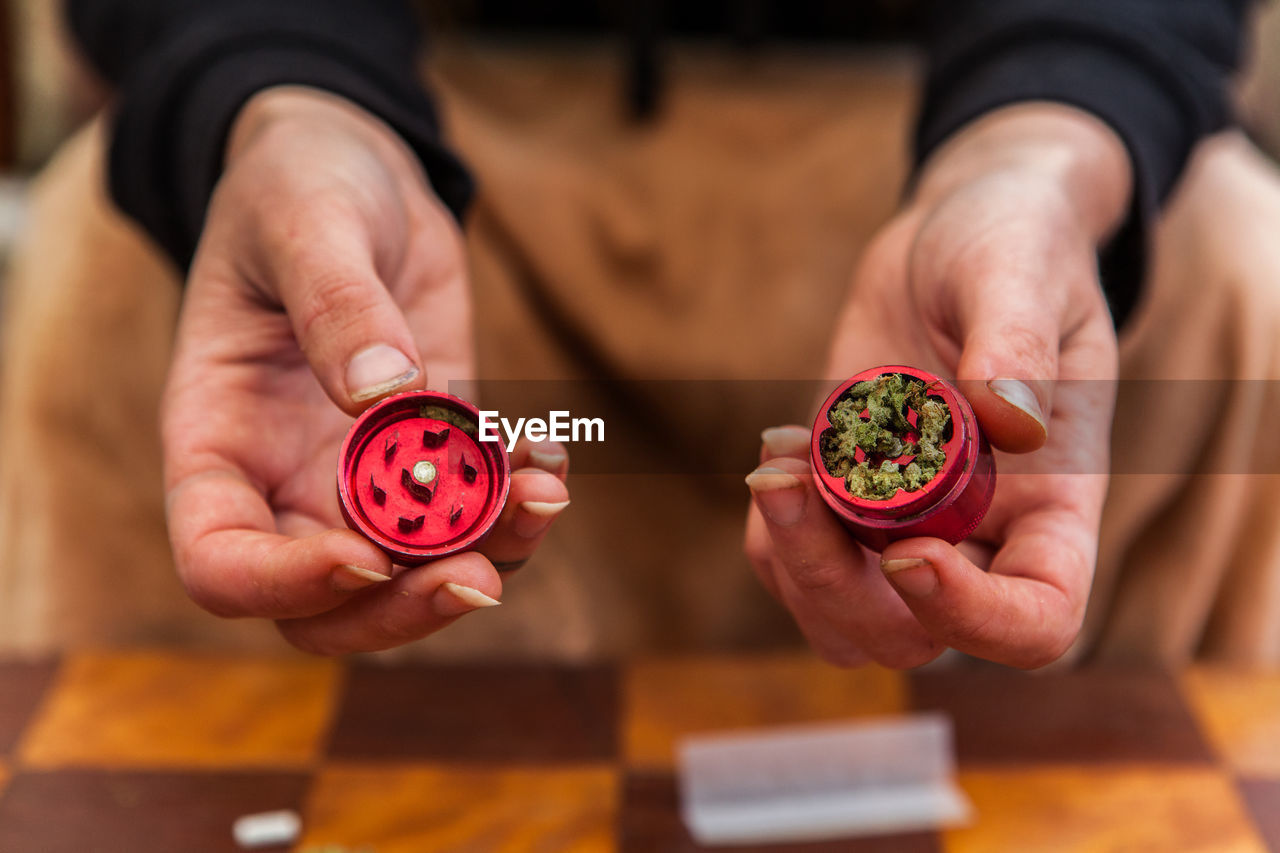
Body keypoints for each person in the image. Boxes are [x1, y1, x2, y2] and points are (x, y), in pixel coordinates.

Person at [13, 0, 1260, 663]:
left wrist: (1044, 147)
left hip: (942, 123)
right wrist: (274, 99)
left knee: (1240, 262)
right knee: (100, 258)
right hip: (410, 108)